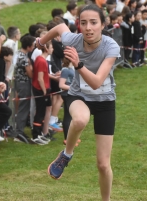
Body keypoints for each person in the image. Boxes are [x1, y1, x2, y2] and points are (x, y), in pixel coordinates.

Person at [37, 4, 120, 201]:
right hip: (79, 96)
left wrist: (78, 64)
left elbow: (96, 82)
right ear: (79, 25)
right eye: (83, 23)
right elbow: (59, 28)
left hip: (105, 101)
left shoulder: (111, 47)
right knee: (80, 120)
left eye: (93, 22)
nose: (88, 27)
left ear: (102, 24)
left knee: (103, 164)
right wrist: (41, 41)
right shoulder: (73, 39)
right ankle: (66, 154)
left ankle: (106, 199)